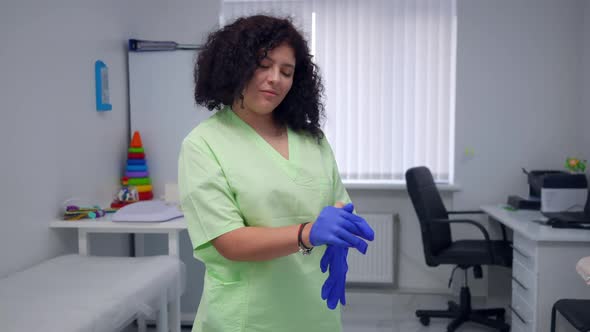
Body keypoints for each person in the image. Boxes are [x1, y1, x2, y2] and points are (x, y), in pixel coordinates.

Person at [178, 15, 375, 332]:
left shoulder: (312, 139)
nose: (276, 79)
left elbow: (336, 201)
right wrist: (307, 233)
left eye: (287, 71)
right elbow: (230, 242)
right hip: (249, 317)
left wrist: (340, 234)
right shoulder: (204, 145)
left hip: (315, 310)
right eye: (263, 65)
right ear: (235, 67)